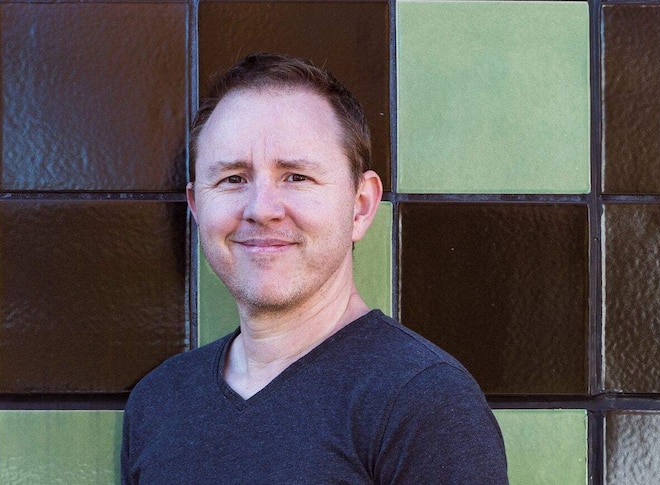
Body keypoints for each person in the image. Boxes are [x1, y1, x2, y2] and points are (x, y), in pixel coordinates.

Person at [122, 52, 508, 484]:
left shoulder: (422, 402)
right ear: (196, 207)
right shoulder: (158, 403)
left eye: (296, 177)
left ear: (360, 206)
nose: (261, 209)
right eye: (233, 178)